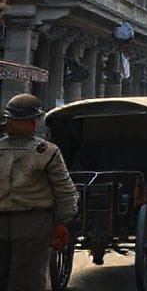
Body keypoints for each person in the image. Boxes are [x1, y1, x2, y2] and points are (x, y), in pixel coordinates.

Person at [0, 94, 78, 291]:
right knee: (28, 280)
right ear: (34, 122)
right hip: (33, 225)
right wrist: (62, 222)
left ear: (9, 120)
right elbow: (65, 192)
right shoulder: (47, 152)